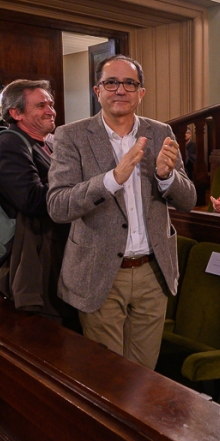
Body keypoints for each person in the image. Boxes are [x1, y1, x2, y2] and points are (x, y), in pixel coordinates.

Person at [46, 55, 197, 368]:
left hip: (152, 272)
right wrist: (111, 180)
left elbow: (188, 200)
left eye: (130, 83)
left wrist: (167, 177)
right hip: (99, 271)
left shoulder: (160, 133)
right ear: (97, 90)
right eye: (111, 82)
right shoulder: (71, 136)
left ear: (141, 93)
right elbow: (58, 206)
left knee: (144, 375)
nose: (120, 90)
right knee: (107, 377)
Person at [0, 79, 76, 324]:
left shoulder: (43, 144)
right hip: (35, 258)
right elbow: (31, 200)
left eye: (50, 103)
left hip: (54, 252)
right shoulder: (9, 142)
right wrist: (78, 186)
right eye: (41, 105)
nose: (50, 110)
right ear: (16, 113)